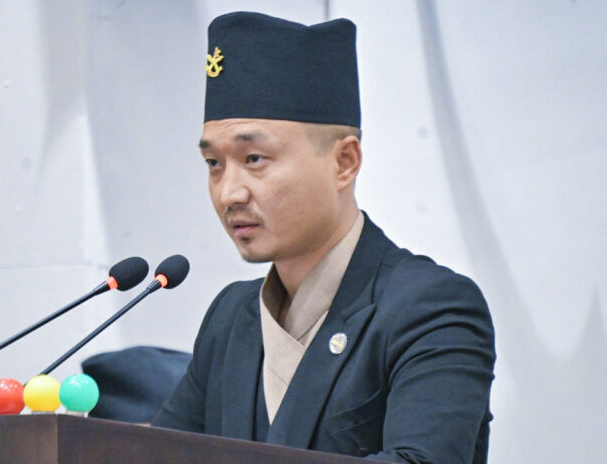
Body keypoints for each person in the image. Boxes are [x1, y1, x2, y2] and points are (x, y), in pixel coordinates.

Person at [152, 12, 496, 464]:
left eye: (254, 158)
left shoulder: (429, 308)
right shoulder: (230, 317)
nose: (229, 192)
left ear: (344, 163)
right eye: (214, 164)